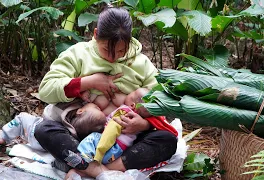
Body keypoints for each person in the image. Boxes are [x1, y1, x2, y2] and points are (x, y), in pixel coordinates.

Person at [34, 7, 177, 179]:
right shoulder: (78, 54)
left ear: (130, 41)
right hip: (81, 134)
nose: (113, 58)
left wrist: (143, 124)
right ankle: (101, 171)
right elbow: (46, 89)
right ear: (95, 34)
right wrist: (89, 82)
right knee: (44, 129)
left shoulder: (142, 63)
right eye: (106, 50)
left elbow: (162, 102)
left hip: (125, 140)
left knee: (167, 140)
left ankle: (91, 167)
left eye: (120, 51)